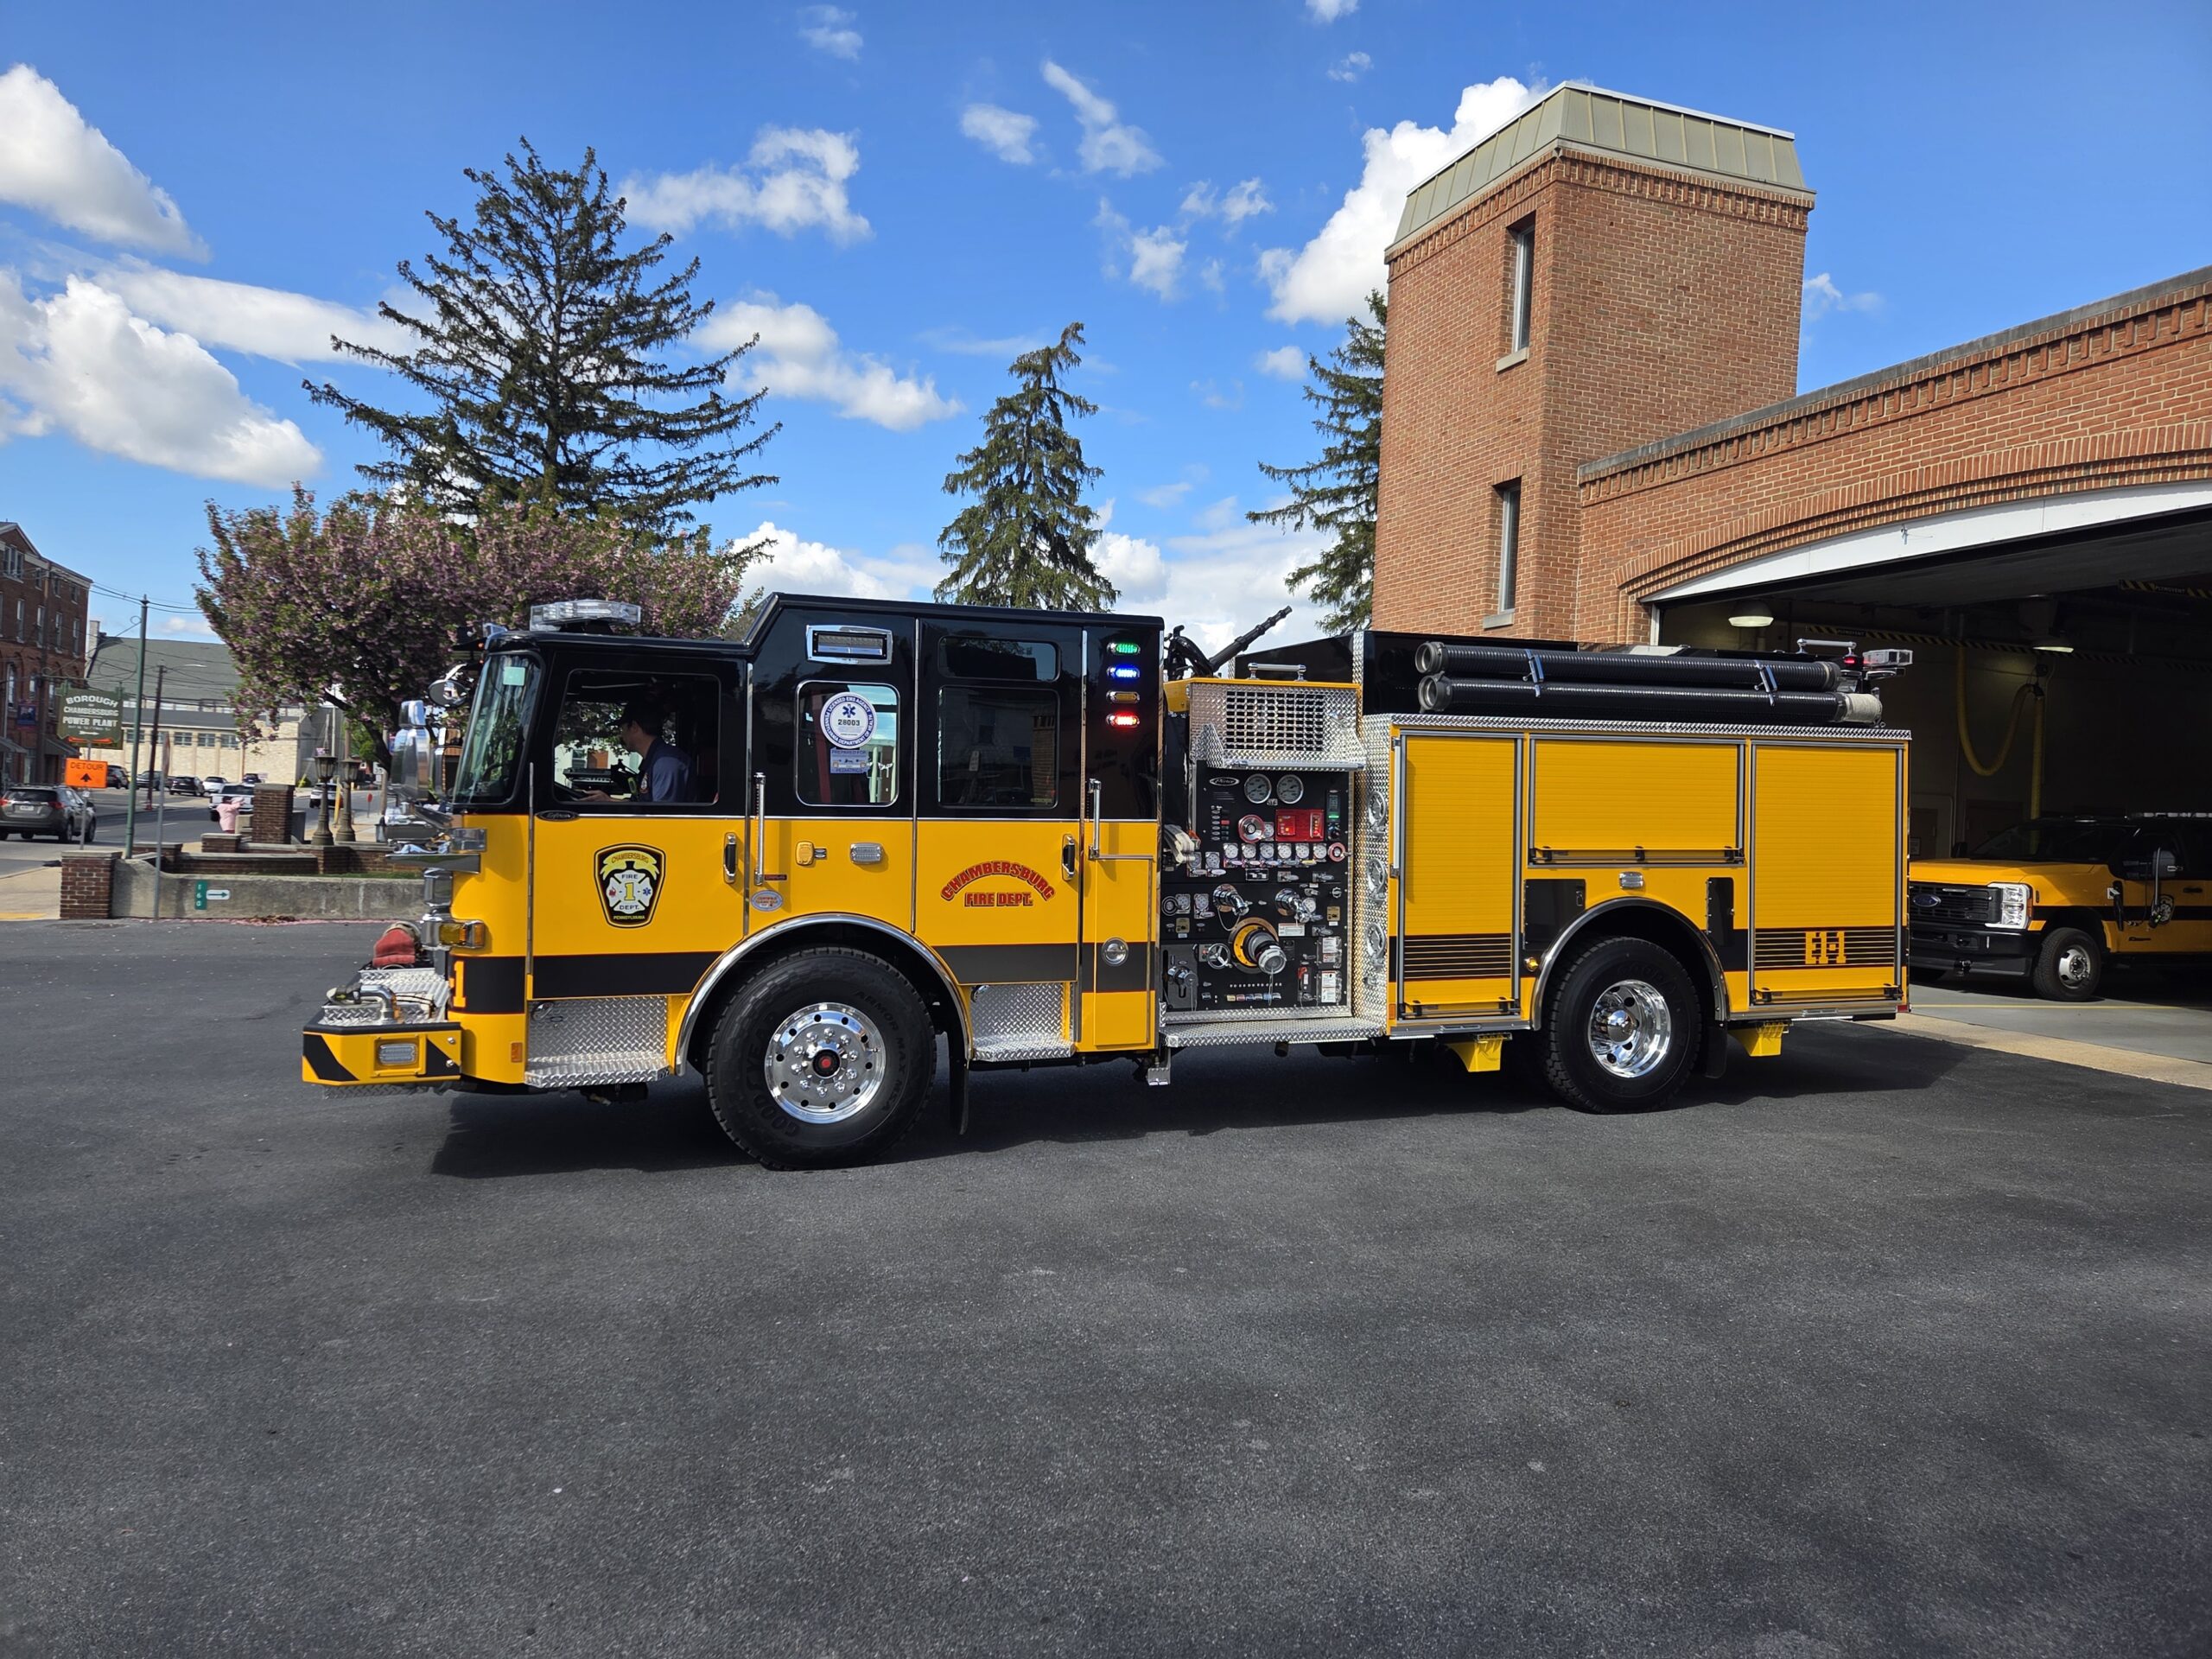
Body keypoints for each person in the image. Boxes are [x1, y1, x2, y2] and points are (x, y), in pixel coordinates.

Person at [585, 698, 694, 804]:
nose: (621, 735)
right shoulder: (654, 761)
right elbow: (643, 806)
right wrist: (608, 801)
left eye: (622, 729)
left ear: (634, 727)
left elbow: (661, 814)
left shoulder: (665, 763)